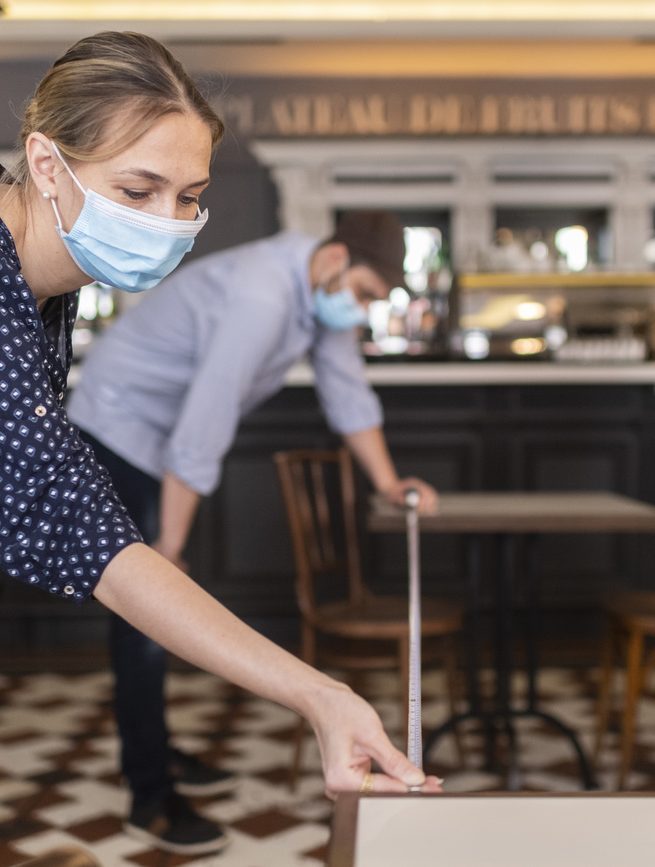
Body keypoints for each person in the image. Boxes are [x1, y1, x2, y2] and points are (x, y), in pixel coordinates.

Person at [0, 31, 436, 867]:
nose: (168, 223)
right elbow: (62, 515)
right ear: (47, 161)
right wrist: (318, 694)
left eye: (189, 196)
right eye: (137, 188)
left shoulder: (38, 267)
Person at [65, 209, 439, 853]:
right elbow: (201, 429)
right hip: (119, 425)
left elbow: (347, 394)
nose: (365, 310)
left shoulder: (319, 291)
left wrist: (387, 482)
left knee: (164, 603)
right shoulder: (263, 297)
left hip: (164, 436)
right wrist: (169, 552)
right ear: (335, 261)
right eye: (367, 295)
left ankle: (159, 753)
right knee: (148, 612)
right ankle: (149, 795)